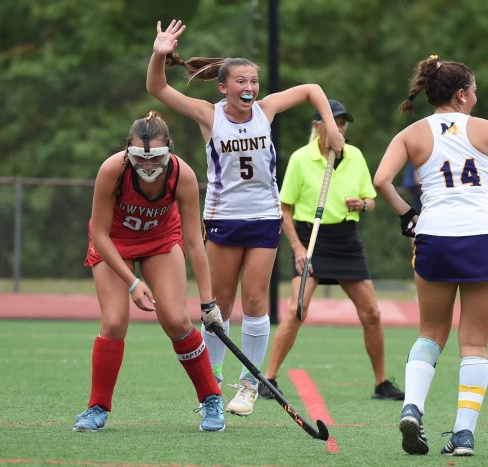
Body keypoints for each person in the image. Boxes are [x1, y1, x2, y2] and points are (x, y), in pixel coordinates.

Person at [146, 19, 345, 417]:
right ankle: (212, 381)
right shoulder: (209, 115)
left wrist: (331, 131)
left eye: (253, 81)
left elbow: (312, 90)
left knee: (255, 300)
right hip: (223, 219)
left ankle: (250, 384)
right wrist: (158, 52)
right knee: (219, 303)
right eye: (241, 82)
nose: (249, 88)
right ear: (224, 87)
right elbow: (156, 88)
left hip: (264, 219)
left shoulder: (266, 110)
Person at [373, 55, 488, 456]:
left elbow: (381, 181)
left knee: (430, 333)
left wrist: (408, 215)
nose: (476, 96)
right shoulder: (487, 130)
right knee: (474, 342)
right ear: (461, 94)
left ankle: (412, 407)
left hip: (435, 237)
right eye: (473, 90)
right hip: (484, 236)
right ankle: (463, 435)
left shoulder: (412, 134)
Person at [74, 110, 226, 433]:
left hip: (160, 238)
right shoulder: (112, 171)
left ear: (168, 149)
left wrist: (208, 303)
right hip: (114, 242)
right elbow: (100, 235)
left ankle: (211, 398)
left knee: (175, 319)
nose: (147, 165)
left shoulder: (181, 175)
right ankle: (97, 407)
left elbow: (195, 243)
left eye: (155, 156)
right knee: (114, 321)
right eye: (139, 158)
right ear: (128, 151)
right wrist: (132, 283)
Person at [258, 99, 405, 402]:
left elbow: (372, 199)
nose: (339, 127)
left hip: (346, 239)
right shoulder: (301, 159)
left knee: (372, 314)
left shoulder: (355, 156)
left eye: (343, 122)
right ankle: (268, 379)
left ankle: (381, 383)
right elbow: (284, 208)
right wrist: (298, 248)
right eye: (333, 121)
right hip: (309, 237)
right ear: (317, 125)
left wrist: (362, 204)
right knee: (296, 310)